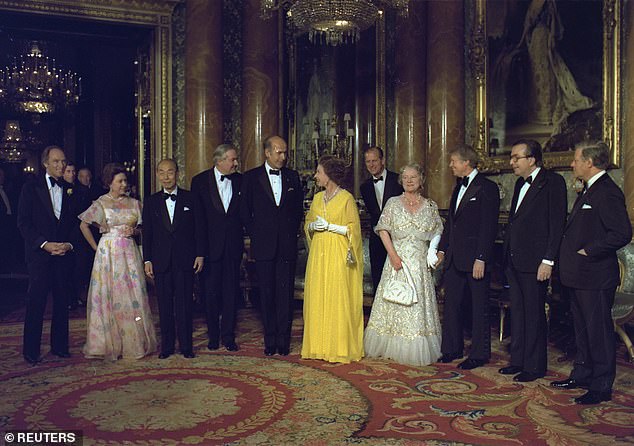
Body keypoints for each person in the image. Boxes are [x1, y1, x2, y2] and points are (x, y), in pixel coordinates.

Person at [551, 141, 631, 405]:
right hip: (579, 276)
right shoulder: (589, 189)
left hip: (595, 276)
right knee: (582, 330)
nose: (572, 164)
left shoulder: (606, 191)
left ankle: (601, 385)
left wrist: (590, 250)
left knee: (598, 332)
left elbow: (622, 233)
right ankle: (582, 374)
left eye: (576, 160)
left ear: (589, 162)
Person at [498, 139, 567, 382]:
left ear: (532, 159)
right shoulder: (519, 183)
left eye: (516, 157)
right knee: (518, 312)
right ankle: (517, 361)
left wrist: (548, 261)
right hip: (514, 260)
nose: (512, 162)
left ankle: (534, 366)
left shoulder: (553, 183)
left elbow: (556, 225)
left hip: (536, 262)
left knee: (534, 314)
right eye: (511, 157)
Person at [364, 163, 443, 366]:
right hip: (396, 262)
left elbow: (438, 232)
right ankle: (390, 345)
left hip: (419, 266)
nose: (408, 180)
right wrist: (392, 255)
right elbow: (383, 229)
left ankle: (414, 348)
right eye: (405, 177)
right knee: (393, 302)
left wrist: (433, 252)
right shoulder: (393, 203)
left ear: (421, 180)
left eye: (413, 177)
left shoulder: (431, 206)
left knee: (416, 306)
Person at [79, 163, 157, 360]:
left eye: (125, 180)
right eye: (120, 181)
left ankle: (134, 340)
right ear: (109, 183)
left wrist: (135, 231)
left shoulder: (135, 204)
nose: (124, 184)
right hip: (108, 255)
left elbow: (144, 229)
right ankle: (105, 342)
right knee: (108, 295)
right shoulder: (100, 203)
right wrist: (97, 247)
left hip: (129, 254)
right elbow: (84, 225)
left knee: (132, 295)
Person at [436, 144, 500, 370]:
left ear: (466, 163)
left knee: (478, 307)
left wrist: (481, 257)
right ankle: (451, 349)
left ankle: (479, 354)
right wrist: (442, 250)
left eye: (453, 161)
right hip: (454, 258)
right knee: (452, 305)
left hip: (475, 260)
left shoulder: (487, 187)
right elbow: (451, 224)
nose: (450, 165)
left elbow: (488, 227)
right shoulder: (457, 187)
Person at [240, 135, 304, 356]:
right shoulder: (250, 178)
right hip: (264, 245)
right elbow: (244, 212)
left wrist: (289, 232)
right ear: (267, 153)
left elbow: (297, 211)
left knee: (285, 295)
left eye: (285, 152)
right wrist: (257, 234)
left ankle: (283, 342)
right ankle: (270, 341)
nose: (283, 157)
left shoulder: (293, 177)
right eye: (279, 152)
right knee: (266, 294)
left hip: (286, 245)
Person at [302, 155, 364, 363]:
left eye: (319, 172)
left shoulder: (346, 198)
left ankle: (338, 348)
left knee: (337, 297)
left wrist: (331, 227)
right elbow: (308, 222)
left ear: (328, 175)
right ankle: (318, 347)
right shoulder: (318, 199)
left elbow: (354, 230)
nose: (316, 176)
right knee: (319, 295)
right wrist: (312, 227)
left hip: (337, 253)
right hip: (319, 254)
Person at [17, 146, 76, 364]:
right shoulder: (30, 188)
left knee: (62, 302)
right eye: (56, 161)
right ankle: (31, 351)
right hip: (39, 256)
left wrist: (68, 245)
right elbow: (23, 223)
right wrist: (44, 244)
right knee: (36, 303)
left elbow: (74, 224)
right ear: (45, 163)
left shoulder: (71, 189)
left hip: (63, 255)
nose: (61, 165)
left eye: (63, 161)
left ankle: (60, 347)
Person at [144, 159, 206, 359]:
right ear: (157, 175)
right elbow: (148, 234)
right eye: (161, 172)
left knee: (185, 304)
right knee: (164, 305)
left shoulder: (191, 198)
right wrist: (148, 260)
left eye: (170, 172)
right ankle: (167, 346)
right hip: (161, 261)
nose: (166, 176)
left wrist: (200, 254)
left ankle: (186, 346)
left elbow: (199, 229)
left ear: (177, 174)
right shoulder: (151, 201)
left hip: (185, 260)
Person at [191, 144, 243, 352]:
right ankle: (213, 336)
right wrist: (199, 253)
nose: (236, 163)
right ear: (219, 161)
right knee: (210, 294)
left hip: (233, 247)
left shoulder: (241, 180)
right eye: (232, 159)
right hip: (210, 250)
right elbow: (198, 221)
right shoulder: (200, 181)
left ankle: (228, 336)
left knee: (231, 293)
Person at [360, 147, 403, 293]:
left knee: (398, 278)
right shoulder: (364, 187)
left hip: (397, 238)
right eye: (368, 162)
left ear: (383, 160)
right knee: (377, 278)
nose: (371, 165)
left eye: (374, 161)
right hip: (376, 239)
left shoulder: (398, 180)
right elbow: (374, 214)